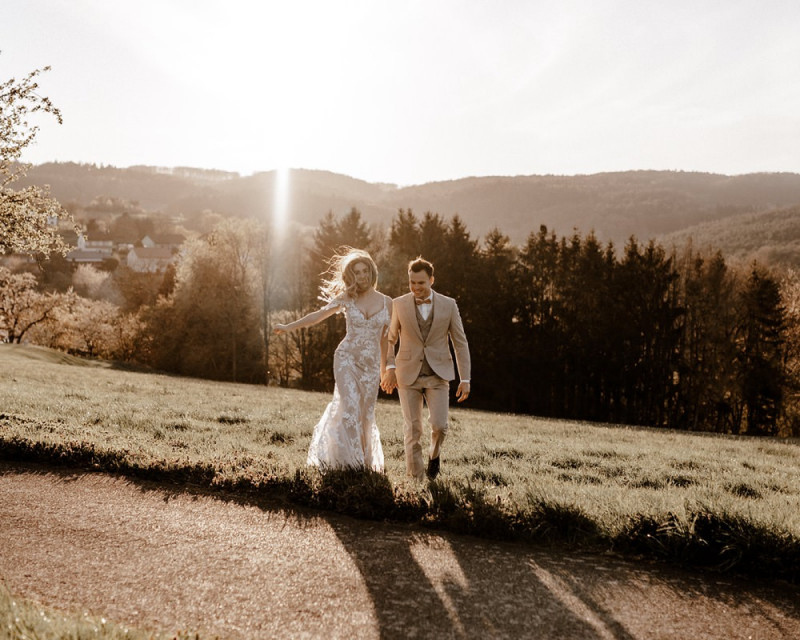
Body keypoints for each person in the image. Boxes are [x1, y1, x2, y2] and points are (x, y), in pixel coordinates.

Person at [273, 249, 391, 472]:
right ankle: (349, 465)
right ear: (351, 276)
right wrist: (289, 327)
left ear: (372, 272)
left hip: (371, 366)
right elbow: (317, 316)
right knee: (349, 409)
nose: (362, 276)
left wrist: (386, 370)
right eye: (357, 272)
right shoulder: (347, 298)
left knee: (365, 415)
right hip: (346, 359)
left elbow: (386, 340)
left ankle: (365, 465)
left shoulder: (387, 303)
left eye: (365, 271)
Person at [380, 257, 470, 481]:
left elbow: (460, 342)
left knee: (440, 426)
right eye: (412, 282)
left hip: (438, 374)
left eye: (421, 283)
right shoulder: (399, 304)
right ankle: (417, 481)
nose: (416, 287)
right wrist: (389, 367)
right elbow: (390, 339)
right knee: (413, 429)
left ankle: (434, 454)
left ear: (431, 280)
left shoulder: (449, 305)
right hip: (407, 373)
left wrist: (465, 378)